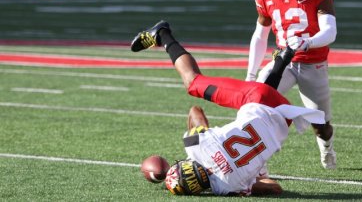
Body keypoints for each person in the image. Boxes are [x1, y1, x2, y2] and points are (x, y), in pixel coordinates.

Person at [130, 20, 325, 195]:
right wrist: (195, 145)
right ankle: (162, 34)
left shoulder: (227, 187)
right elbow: (194, 111)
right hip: (257, 98)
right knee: (193, 84)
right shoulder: (196, 147)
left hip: (282, 119)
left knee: (258, 116)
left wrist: (252, 178)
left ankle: (280, 63)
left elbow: (274, 188)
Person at [246, 0, 337, 170]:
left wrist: (308, 43)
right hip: (283, 60)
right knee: (256, 103)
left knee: (321, 125)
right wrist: (250, 74)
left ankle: (326, 148)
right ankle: (255, 162)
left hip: (312, 63)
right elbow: (260, 35)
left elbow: (330, 31)